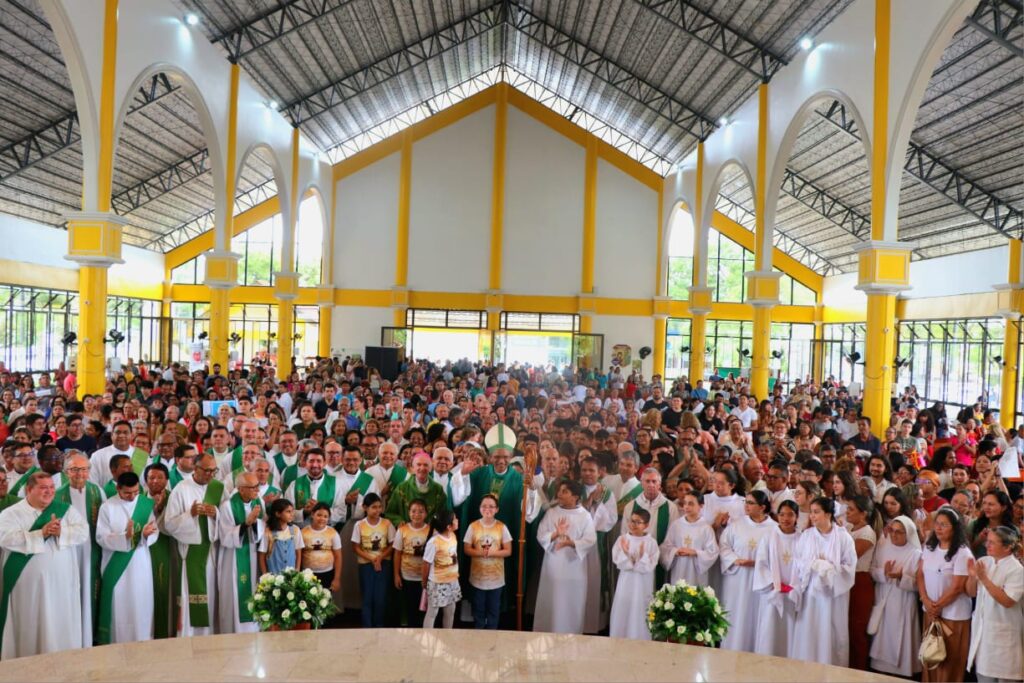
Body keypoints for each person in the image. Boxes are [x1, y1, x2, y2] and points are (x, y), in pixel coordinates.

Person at [0, 472, 89, 658]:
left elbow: (83, 532)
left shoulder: (66, 510)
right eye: (43, 488)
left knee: (59, 620)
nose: (49, 492)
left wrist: (60, 532)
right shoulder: (11, 513)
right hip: (26, 586)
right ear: (29, 489)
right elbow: (5, 538)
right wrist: (41, 534)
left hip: (61, 583)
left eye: (51, 487)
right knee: (30, 621)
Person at [163, 453, 224, 636]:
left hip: (212, 553)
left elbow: (229, 519)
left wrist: (216, 514)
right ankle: (191, 636)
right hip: (190, 553)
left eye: (214, 470)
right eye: (206, 470)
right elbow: (169, 524)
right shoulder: (181, 490)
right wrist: (190, 514)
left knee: (212, 596)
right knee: (192, 597)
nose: (211, 475)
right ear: (195, 468)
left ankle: (212, 635)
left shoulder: (219, 488)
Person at [791, 497, 857, 666]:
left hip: (833, 596)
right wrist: (813, 564)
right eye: (811, 512)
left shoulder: (843, 538)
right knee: (809, 632)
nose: (812, 516)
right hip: (810, 594)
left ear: (828, 514)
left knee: (829, 633)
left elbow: (849, 568)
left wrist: (827, 568)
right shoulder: (806, 536)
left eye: (816, 512)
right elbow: (797, 561)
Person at [95, 471, 159, 644]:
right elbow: (101, 537)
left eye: (135, 492)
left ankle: (143, 639)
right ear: (118, 488)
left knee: (141, 602)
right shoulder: (107, 507)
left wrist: (145, 535)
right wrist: (125, 537)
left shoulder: (145, 504)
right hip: (116, 568)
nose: (132, 497)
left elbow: (154, 530)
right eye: (127, 493)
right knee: (120, 606)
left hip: (140, 564)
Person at [533, 480, 598, 634]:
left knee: (570, 603)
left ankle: (571, 634)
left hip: (574, 567)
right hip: (553, 565)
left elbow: (590, 539)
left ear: (575, 496)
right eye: (559, 491)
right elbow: (541, 534)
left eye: (564, 492)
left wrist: (571, 543)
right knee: (552, 600)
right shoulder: (552, 513)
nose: (559, 494)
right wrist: (556, 534)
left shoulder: (584, 516)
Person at [917, 507, 973, 683]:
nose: (938, 528)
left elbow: (957, 587)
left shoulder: (962, 552)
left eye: (944, 525)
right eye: (937, 524)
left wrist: (937, 606)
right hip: (931, 612)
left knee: (949, 660)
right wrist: (926, 601)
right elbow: (920, 574)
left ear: (955, 528)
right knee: (930, 655)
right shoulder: (930, 547)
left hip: (953, 615)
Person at [54, 451, 103, 647]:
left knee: (91, 590)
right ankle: (70, 637)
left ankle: (91, 635)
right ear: (66, 472)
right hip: (68, 551)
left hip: (93, 551)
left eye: (84, 469)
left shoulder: (98, 491)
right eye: (74, 470)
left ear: (89, 471)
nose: (80, 474)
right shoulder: (57, 495)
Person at [719, 490, 778, 653]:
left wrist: (757, 563)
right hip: (737, 579)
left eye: (751, 503)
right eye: (746, 502)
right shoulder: (737, 524)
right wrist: (734, 559)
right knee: (736, 615)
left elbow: (777, 556)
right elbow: (724, 545)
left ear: (762, 507)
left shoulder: (774, 529)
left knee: (755, 617)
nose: (747, 506)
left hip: (760, 581)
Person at [966, 526, 1024, 683]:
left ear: (1007, 546)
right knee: (983, 677)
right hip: (983, 635)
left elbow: (1007, 601)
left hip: (1005, 637)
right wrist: (972, 577)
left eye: (992, 542)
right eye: (987, 541)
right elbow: (971, 593)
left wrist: (984, 579)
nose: (987, 545)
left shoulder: (1017, 570)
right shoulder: (984, 562)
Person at [868, 515, 922, 677]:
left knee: (902, 638)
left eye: (899, 532)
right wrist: (883, 574)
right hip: (883, 597)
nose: (894, 535)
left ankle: (902, 672)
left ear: (908, 534)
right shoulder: (883, 545)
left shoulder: (916, 553)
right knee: (882, 639)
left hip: (903, 601)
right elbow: (872, 569)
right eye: (892, 530)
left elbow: (918, 584)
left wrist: (901, 577)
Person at [217, 471, 264, 634]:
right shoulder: (227, 506)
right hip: (232, 559)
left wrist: (255, 524)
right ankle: (233, 631)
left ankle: (253, 629)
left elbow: (261, 531)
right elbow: (225, 536)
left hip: (252, 555)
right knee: (234, 595)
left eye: (257, 486)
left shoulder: (258, 502)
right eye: (253, 487)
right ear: (241, 489)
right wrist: (246, 524)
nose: (257, 490)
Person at [752, 499, 800, 658]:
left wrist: (794, 586)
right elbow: (761, 564)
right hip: (772, 593)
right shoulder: (769, 537)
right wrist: (775, 584)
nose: (785, 519)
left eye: (790, 515)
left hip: (793, 594)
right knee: (770, 629)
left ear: (797, 517)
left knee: (791, 630)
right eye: (781, 514)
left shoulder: (802, 539)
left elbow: (806, 565)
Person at [463, 494, 512, 630]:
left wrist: (492, 553)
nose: (487, 509)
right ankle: (478, 637)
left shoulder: (502, 527)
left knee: (493, 611)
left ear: (497, 509)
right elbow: (466, 549)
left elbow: (508, 551)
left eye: (491, 506)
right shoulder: (473, 526)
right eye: (484, 506)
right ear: (479, 508)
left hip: (496, 580)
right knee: (478, 610)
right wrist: (481, 553)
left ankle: (492, 637)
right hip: (477, 578)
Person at [579, 456, 617, 634]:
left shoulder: (606, 493)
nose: (587, 473)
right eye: (584, 470)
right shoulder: (574, 489)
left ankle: (594, 625)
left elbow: (610, 519)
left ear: (599, 472)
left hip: (595, 544)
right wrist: (588, 503)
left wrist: (596, 504)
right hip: (576, 545)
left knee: (594, 582)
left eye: (591, 470)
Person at [609, 507, 658, 640]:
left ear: (646, 525)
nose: (633, 525)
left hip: (643, 585)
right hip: (626, 583)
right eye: (631, 521)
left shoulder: (651, 543)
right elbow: (618, 561)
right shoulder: (622, 539)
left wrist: (642, 557)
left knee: (640, 611)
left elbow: (650, 566)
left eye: (638, 522)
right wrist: (626, 553)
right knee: (623, 609)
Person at [351, 492, 395, 627]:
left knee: (380, 598)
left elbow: (392, 544)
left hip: (383, 565)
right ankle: (367, 628)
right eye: (373, 507)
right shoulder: (359, 525)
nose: (377, 510)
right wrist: (372, 559)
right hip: (366, 565)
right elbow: (356, 547)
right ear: (365, 507)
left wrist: (380, 558)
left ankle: (379, 628)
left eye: (379, 507)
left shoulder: (387, 523)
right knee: (367, 598)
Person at [844, 495, 878, 670]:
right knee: (846, 627)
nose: (846, 512)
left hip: (860, 581)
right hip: (848, 580)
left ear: (863, 514)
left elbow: (850, 557)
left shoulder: (867, 533)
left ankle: (859, 669)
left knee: (857, 629)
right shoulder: (849, 527)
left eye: (851, 509)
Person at [660, 490, 718, 586]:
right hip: (679, 568)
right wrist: (675, 551)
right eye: (685, 503)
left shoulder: (706, 528)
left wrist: (695, 552)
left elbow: (713, 552)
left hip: (696, 572)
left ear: (701, 506)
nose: (686, 507)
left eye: (691, 504)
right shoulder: (676, 525)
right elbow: (665, 547)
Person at [393, 498, 430, 627]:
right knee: (410, 608)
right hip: (406, 576)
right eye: (413, 511)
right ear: (409, 513)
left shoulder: (431, 531)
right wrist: (396, 575)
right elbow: (397, 553)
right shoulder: (402, 530)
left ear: (426, 513)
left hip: (425, 578)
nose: (417, 514)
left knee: (423, 610)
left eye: (421, 511)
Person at [421, 509, 461, 629]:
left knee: (450, 610)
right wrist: (424, 582)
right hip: (437, 583)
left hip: (452, 581)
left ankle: (447, 636)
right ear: (449, 526)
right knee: (433, 612)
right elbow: (426, 564)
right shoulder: (434, 542)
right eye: (455, 519)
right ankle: (427, 637)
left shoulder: (453, 536)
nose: (457, 520)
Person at [386, 452, 447, 527]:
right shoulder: (402, 488)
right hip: (406, 532)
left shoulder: (438, 489)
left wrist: (433, 523)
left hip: (430, 533)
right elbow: (390, 513)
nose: (422, 468)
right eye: (418, 464)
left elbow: (443, 514)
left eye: (426, 465)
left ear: (431, 468)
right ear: (413, 468)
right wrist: (399, 522)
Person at [302, 503, 342, 594]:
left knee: (324, 602)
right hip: (307, 574)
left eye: (325, 516)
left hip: (327, 574)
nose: (322, 519)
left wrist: (336, 578)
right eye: (319, 515)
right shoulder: (303, 532)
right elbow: (298, 554)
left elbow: (338, 557)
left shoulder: (333, 533)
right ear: (312, 514)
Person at [259, 498, 303, 574]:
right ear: (278, 514)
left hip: (291, 576)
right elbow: (262, 555)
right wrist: (265, 575)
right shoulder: (268, 532)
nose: (292, 514)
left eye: (292, 511)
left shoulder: (296, 530)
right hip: (273, 576)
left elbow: (298, 552)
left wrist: (297, 569)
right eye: (288, 511)